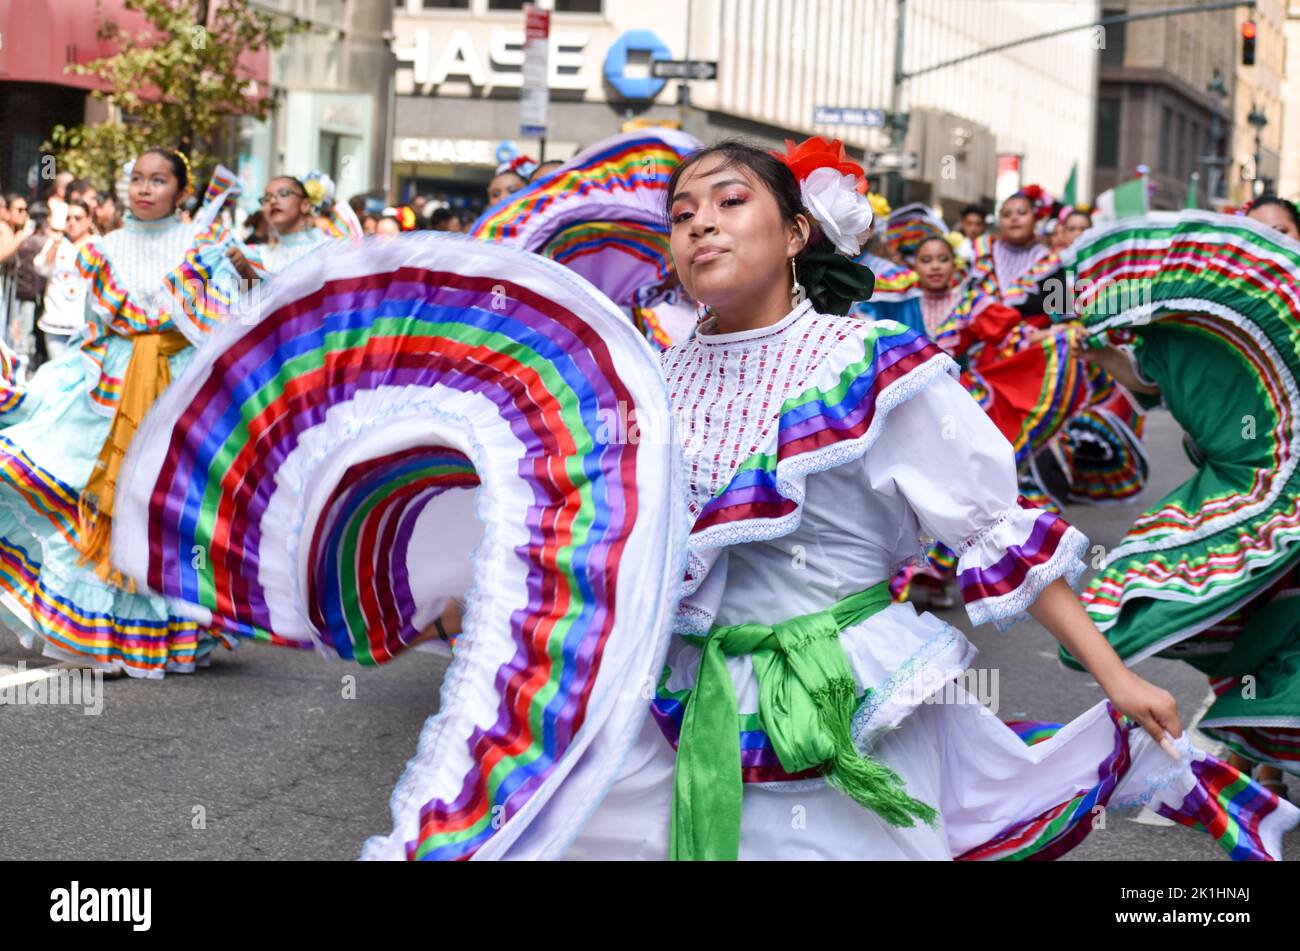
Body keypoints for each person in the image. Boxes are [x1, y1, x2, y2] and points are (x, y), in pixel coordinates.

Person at [1067, 205, 1300, 801]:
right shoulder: (1187, 318)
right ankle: (1261, 748)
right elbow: (1150, 379)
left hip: (1287, 485)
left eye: (1282, 233)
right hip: (1232, 484)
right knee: (1242, 619)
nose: (1270, 238)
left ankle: (1270, 746)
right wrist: (1096, 350)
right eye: (1260, 227)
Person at [0, 147, 245, 678]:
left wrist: (233, 274)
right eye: (137, 178)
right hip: (107, 390)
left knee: (169, 507)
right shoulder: (105, 247)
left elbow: (233, 320)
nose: (144, 189)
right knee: (91, 497)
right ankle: (96, 639)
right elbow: (95, 325)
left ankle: (168, 634)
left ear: (181, 191)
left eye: (158, 180)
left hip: (178, 390)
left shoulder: (205, 246)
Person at [227, 174, 331, 280]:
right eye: (267, 198)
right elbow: (250, 296)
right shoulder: (257, 255)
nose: (273, 201)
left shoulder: (330, 249)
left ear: (305, 205)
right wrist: (246, 273)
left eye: (284, 193)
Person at [33, 199, 94, 360]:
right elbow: (42, 268)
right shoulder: (58, 243)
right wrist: (55, 243)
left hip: (83, 327)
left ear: (89, 220)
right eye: (68, 218)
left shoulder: (97, 245)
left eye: (78, 218)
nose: (72, 222)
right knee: (58, 372)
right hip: (55, 324)